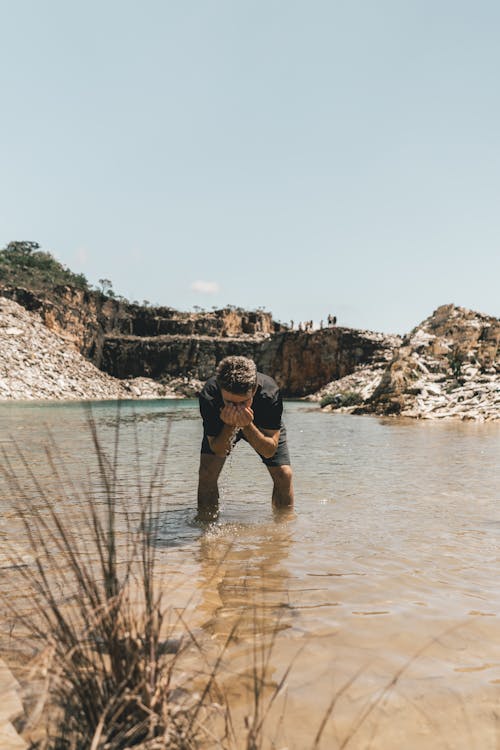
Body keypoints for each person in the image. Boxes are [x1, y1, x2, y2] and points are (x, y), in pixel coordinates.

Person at [197, 355, 294, 519]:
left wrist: (247, 425)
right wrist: (230, 424)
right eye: (230, 402)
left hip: (260, 423)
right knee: (207, 473)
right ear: (220, 389)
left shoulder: (269, 394)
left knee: (284, 474)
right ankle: (206, 528)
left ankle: (283, 530)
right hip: (223, 425)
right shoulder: (210, 395)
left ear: (254, 390)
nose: (237, 408)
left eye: (243, 403)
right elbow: (218, 450)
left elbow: (269, 450)